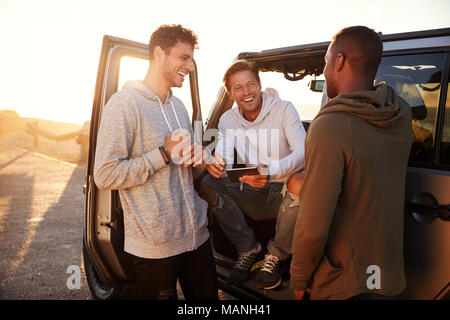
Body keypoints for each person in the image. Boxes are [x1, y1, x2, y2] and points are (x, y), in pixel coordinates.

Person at [93, 24, 218, 300]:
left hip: (196, 237)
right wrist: (162, 154)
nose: (191, 67)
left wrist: (203, 159)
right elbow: (104, 174)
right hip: (155, 246)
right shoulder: (124, 104)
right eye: (184, 58)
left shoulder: (178, 106)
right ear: (159, 53)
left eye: (192, 59)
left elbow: (181, 165)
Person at [290, 26, 412, 300]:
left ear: (340, 61)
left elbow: (313, 223)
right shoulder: (400, 113)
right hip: (387, 274)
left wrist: (299, 276)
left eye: (325, 62)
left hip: (346, 281)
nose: (324, 71)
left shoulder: (331, 126)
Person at [201, 60, 306, 289]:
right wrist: (217, 162)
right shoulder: (228, 119)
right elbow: (225, 153)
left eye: (250, 84)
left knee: (300, 184)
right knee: (208, 183)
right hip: (251, 190)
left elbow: (303, 152)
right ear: (230, 93)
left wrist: (270, 172)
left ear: (259, 85)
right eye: (238, 88)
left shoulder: (284, 109)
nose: (246, 92)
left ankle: (275, 256)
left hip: (285, 194)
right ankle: (249, 247)